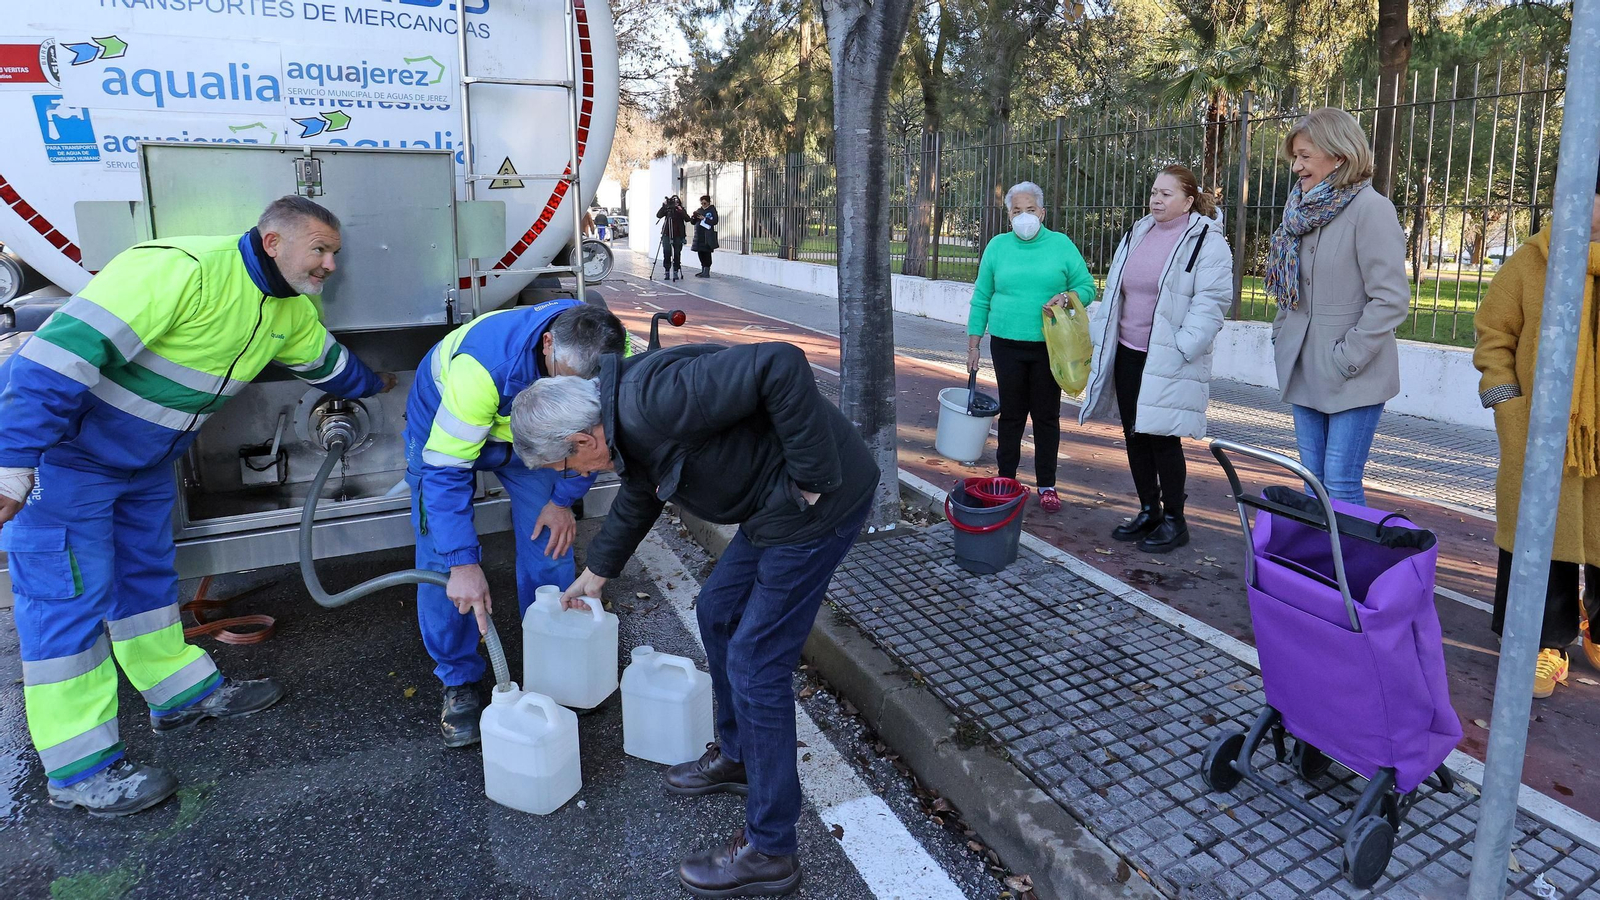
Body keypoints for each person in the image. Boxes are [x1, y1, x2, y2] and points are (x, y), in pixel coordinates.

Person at [0, 196, 395, 816]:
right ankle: (79, 770)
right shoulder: (181, 269)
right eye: (318, 249)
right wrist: (12, 463)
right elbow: (56, 359)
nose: (328, 265)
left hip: (143, 465)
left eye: (333, 254)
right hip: (67, 459)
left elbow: (330, 366)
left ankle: (177, 695)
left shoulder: (290, 311)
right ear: (272, 241)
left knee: (148, 585)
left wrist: (380, 383)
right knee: (66, 604)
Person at [509, 342, 878, 898]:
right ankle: (739, 758)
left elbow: (780, 364)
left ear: (582, 440)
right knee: (717, 609)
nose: (573, 475)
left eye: (564, 465)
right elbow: (643, 488)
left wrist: (811, 477)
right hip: (773, 504)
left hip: (819, 503)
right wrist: (598, 571)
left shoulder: (655, 400)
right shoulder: (619, 423)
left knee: (758, 661)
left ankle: (772, 850)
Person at [405, 301, 625, 746]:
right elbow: (445, 475)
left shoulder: (603, 362)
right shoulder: (482, 371)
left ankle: (552, 659)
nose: (572, 390)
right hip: (448, 437)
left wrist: (562, 500)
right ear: (547, 344)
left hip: (537, 441)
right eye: (561, 379)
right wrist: (464, 563)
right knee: (444, 566)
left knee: (551, 541)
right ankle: (459, 680)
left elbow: (590, 443)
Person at [1473, 161, 1600, 698]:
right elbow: (1493, 338)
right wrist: (1509, 407)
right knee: (1539, 535)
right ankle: (1543, 641)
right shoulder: (1533, 261)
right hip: (1545, 432)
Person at [1078, 165, 1233, 552]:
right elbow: (1116, 288)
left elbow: (1212, 301)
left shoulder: (1206, 241)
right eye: (1153, 192)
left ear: (1188, 200)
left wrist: (1186, 345)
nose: (1156, 200)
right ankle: (1149, 509)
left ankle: (1176, 521)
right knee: (1134, 434)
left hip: (1169, 356)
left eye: (1166, 194)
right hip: (1129, 351)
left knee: (1162, 438)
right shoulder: (1139, 231)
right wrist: (1102, 333)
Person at [1266, 107, 1410, 505]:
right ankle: (1318, 566)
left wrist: (1346, 358)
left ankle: (1348, 569)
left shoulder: (1371, 209)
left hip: (1353, 374)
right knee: (1313, 482)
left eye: (1305, 156)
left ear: (1339, 155)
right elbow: (1290, 289)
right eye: (1295, 156)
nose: (1296, 166)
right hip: (1303, 366)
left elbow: (1390, 299)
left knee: (1341, 483)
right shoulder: (1299, 210)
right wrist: (1281, 335)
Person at [966, 181, 1097, 513]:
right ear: (1008, 214)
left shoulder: (1061, 245)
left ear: (1042, 212)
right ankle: (1006, 479)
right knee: (1011, 415)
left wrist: (1069, 297)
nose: (1023, 216)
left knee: (1046, 416)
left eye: (1029, 210)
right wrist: (973, 344)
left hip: (1048, 346)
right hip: (1007, 344)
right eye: (1016, 211)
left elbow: (1087, 286)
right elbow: (981, 297)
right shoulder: (997, 247)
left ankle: (1047, 484)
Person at [657, 195, 692, 281]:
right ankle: (667, 271)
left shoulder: (680, 210)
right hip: (667, 234)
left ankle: (676, 270)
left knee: (677, 253)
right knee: (667, 252)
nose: (674, 204)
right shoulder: (667, 209)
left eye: (676, 202)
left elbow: (688, 219)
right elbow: (658, 215)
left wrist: (680, 210)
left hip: (678, 235)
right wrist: (664, 206)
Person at [691, 195, 720, 278]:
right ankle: (703, 269)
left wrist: (704, 219)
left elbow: (715, 221)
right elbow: (693, 222)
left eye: (705, 203)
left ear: (708, 202)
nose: (703, 205)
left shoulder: (712, 210)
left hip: (707, 235)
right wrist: (694, 217)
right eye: (702, 203)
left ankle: (707, 271)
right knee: (700, 252)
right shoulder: (699, 210)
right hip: (699, 235)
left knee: (706, 253)